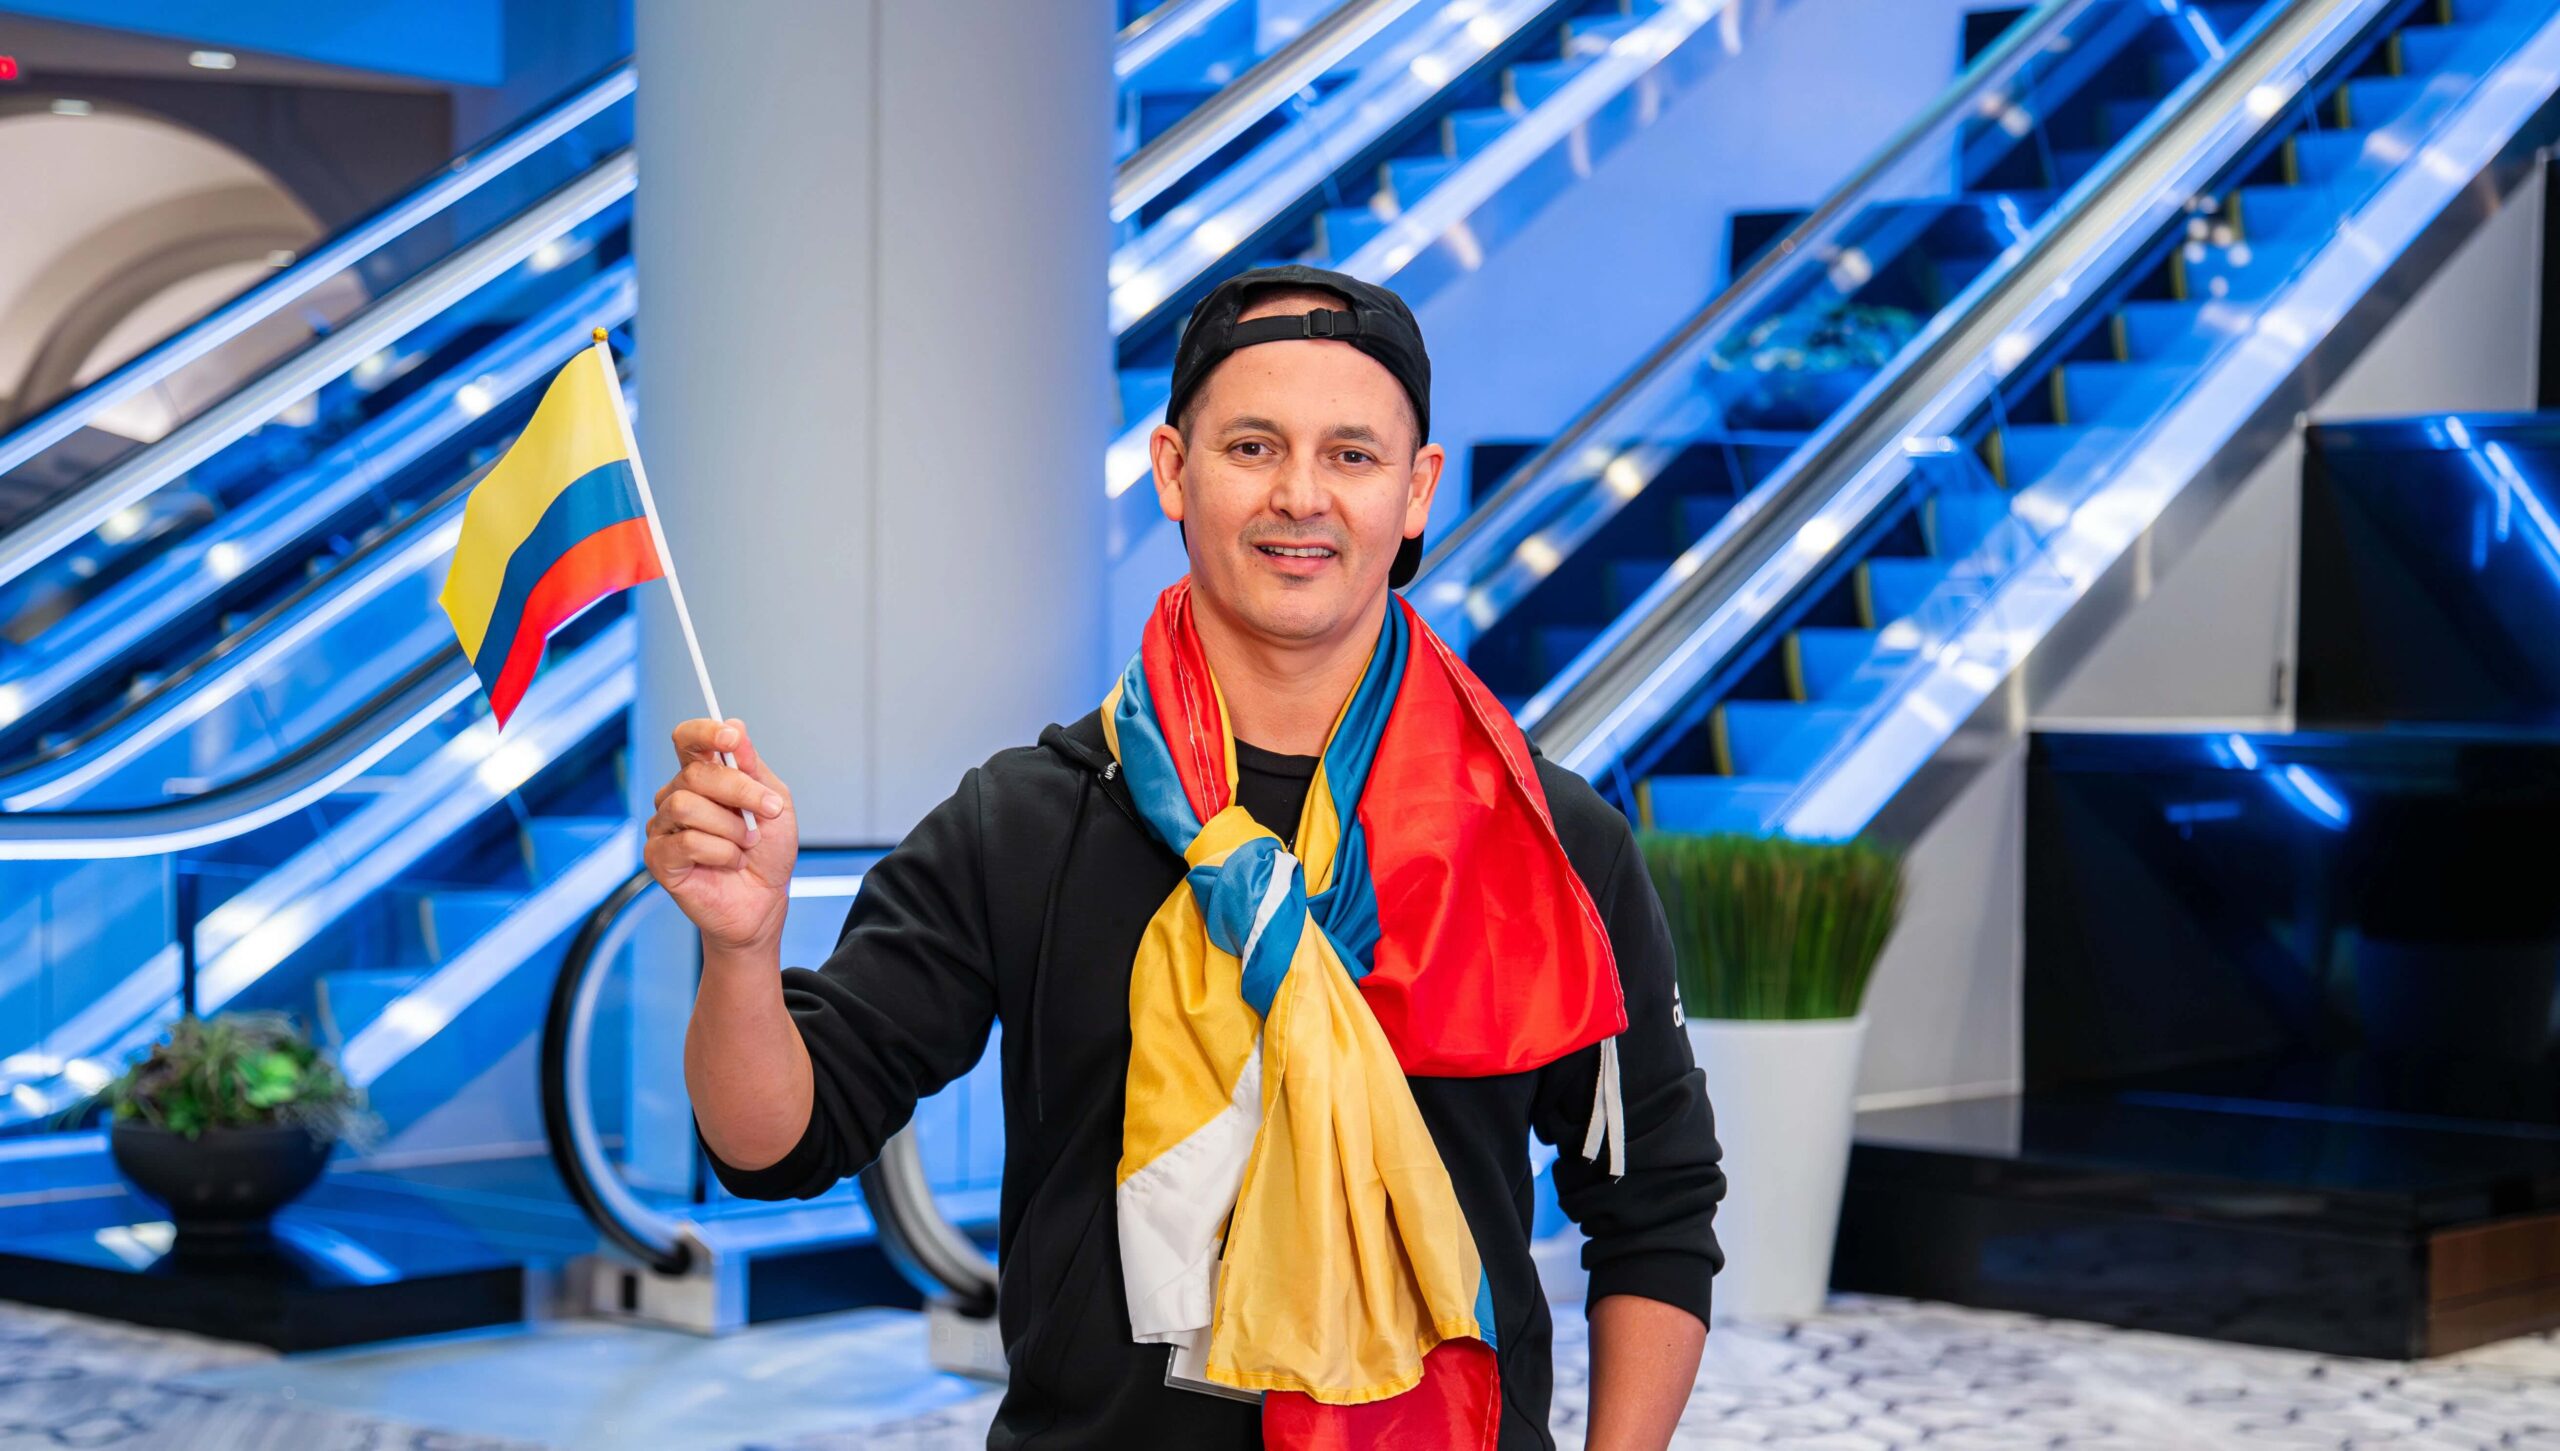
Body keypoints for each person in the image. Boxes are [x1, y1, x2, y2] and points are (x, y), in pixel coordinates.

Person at [650, 265, 1725, 1451]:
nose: (1300, 496)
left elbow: (1653, 1206)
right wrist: (741, 952)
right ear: (1174, 469)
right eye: (1252, 446)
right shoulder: (1029, 821)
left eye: (1353, 455)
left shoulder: (1545, 842)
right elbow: (779, 1141)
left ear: (1417, 491)